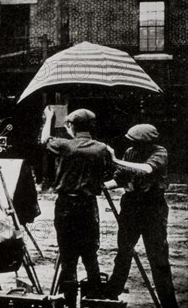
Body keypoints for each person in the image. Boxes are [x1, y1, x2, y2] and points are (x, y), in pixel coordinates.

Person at [40, 107, 114, 307]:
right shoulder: (102, 149)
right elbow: (109, 172)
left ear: (71, 126)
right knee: (91, 257)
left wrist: (49, 118)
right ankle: (94, 301)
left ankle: (70, 304)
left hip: (65, 206)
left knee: (68, 258)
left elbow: (44, 140)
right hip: (89, 207)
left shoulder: (65, 146)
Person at [103, 124, 178, 307]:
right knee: (123, 253)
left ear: (147, 142)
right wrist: (100, 185)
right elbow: (119, 178)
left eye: (136, 142)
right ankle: (111, 295)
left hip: (153, 209)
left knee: (158, 259)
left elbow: (146, 169)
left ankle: (168, 303)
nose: (133, 145)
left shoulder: (160, 152)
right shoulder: (130, 152)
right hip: (131, 207)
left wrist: (114, 159)